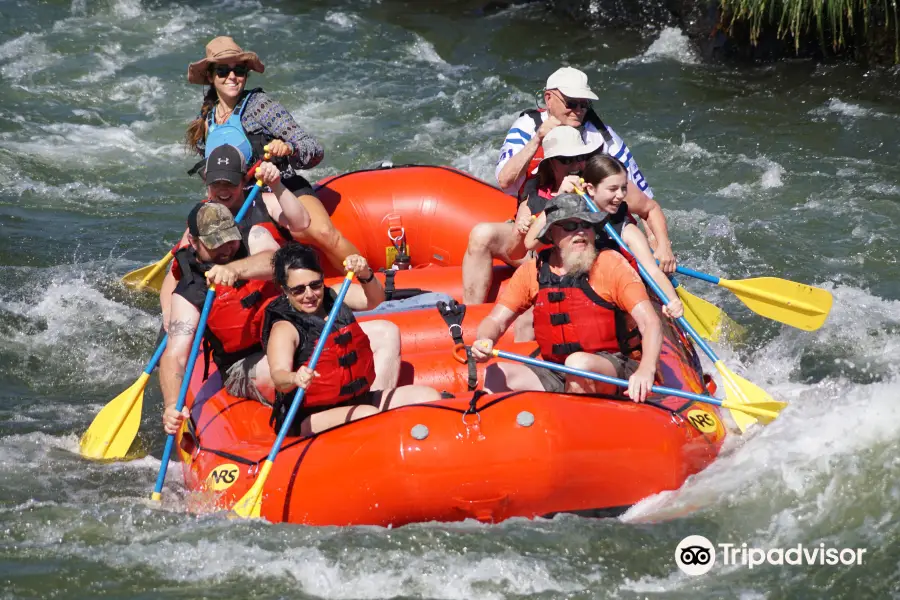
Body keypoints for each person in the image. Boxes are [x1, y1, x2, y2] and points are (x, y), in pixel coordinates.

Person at [185, 36, 361, 270]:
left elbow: (314, 150)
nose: (232, 77)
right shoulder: (207, 118)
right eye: (222, 71)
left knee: (322, 232)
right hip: (237, 198)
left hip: (281, 188)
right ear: (210, 76)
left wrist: (289, 148)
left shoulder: (260, 106)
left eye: (239, 70)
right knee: (192, 239)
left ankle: (364, 279)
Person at [470, 194, 663, 403]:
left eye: (586, 225)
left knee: (578, 364)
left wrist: (646, 370)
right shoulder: (531, 273)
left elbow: (650, 322)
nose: (580, 232)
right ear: (551, 234)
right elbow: (496, 322)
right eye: (570, 225)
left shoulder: (611, 265)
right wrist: (485, 339)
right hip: (557, 369)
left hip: (615, 367)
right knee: (496, 373)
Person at [494, 66, 674, 267]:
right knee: (481, 237)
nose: (579, 110)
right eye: (571, 103)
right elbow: (504, 181)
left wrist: (659, 248)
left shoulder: (604, 138)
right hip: (539, 222)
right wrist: (537, 139)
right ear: (548, 98)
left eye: (584, 104)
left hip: (592, 232)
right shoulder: (528, 125)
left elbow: (645, 204)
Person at [263, 243, 442, 436]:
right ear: (285, 290)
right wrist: (294, 378)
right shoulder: (284, 328)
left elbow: (375, 301)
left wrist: (365, 274)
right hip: (310, 418)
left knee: (428, 396)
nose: (310, 295)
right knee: (368, 415)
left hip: (357, 401)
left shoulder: (336, 295)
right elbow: (278, 376)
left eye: (315, 285)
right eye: (298, 290)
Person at [159, 144, 311, 329]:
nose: (223, 191)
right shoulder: (203, 216)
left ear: (243, 180)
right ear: (206, 182)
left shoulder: (263, 201)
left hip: (272, 291)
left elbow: (302, 223)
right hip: (230, 301)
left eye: (230, 183)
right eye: (216, 184)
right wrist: (168, 311)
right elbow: (179, 269)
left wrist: (276, 185)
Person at [161, 203, 282, 435]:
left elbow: (276, 261)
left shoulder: (254, 236)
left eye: (230, 239)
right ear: (194, 243)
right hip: (242, 365)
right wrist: (171, 405)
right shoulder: (191, 290)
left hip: (290, 335)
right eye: (216, 244)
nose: (226, 249)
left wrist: (236, 269)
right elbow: (175, 355)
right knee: (283, 365)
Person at [522, 154, 684, 320]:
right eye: (613, 189)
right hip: (572, 291)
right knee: (526, 321)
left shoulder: (624, 229)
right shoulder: (571, 215)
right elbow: (529, 243)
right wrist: (558, 198)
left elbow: (652, 271)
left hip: (608, 297)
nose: (621, 195)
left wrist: (672, 300)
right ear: (591, 189)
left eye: (623, 188)